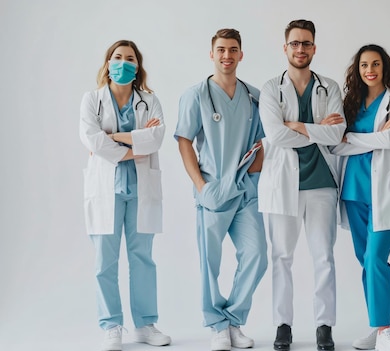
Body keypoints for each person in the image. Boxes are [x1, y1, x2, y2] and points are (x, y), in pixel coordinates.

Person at [174, 28, 267, 351]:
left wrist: (254, 175)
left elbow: (263, 140)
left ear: (241, 54)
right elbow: (184, 141)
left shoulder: (255, 95)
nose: (227, 55)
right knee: (209, 263)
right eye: (221, 49)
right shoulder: (196, 95)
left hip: (244, 191)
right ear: (211, 54)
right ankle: (216, 325)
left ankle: (234, 320)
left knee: (257, 256)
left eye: (233, 49)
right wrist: (201, 185)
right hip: (212, 190)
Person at [257, 19, 346, 351]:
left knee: (324, 257)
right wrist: (314, 127)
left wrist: (294, 124)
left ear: (314, 48)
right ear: (285, 48)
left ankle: (324, 326)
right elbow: (275, 135)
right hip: (284, 184)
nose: (300, 49)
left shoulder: (330, 87)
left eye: (306, 43)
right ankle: (283, 326)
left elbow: (336, 133)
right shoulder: (270, 88)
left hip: (322, 183)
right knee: (281, 256)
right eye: (295, 43)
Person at [79, 40, 171, 351]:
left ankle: (144, 325)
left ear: (138, 66)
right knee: (105, 261)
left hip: (141, 190)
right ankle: (111, 326)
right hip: (106, 191)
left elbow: (156, 138)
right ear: (107, 63)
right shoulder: (92, 100)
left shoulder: (149, 101)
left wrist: (114, 138)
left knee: (142, 259)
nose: (123, 63)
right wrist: (135, 148)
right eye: (117, 57)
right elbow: (90, 139)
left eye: (129, 58)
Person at [332, 44, 390, 351]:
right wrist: (373, 138)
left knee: (375, 258)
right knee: (365, 261)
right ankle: (378, 327)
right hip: (354, 191)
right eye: (364, 64)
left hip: (385, 192)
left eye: (376, 64)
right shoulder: (350, 104)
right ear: (357, 69)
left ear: (385, 67)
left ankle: (384, 327)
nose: (370, 70)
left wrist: (352, 138)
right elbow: (335, 146)